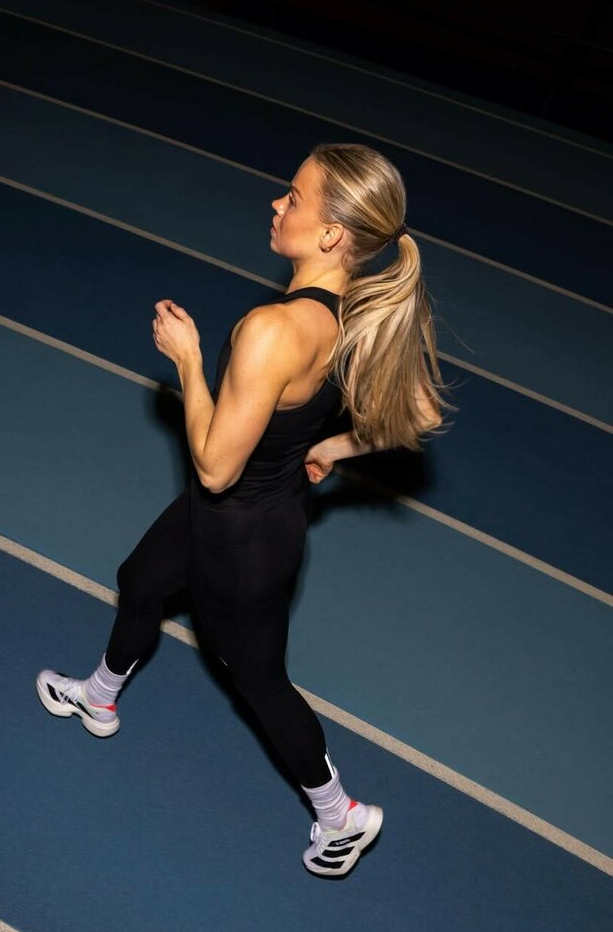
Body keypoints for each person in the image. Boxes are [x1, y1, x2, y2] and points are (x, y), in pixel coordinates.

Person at [37, 143, 449, 878]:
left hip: (243, 534)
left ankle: (340, 817)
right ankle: (99, 697)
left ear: (331, 233)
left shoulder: (273, 330)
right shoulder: (362, 311)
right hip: (245, 510)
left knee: (256, 678)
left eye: (294, 197)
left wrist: (189, 361)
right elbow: (417, 412)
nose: (276, 204)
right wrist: (334, 446)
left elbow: (215, 465)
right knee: (141, 580)